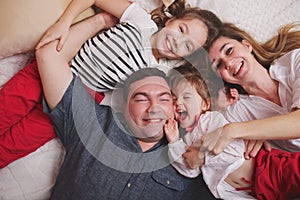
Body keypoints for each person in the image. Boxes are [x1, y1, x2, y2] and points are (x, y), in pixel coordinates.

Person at [35, 29, 217, 198]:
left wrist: (238, 131)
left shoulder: (189, 152)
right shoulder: (93, 123)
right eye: (141, 99)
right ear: (123, 105)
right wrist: (102, 22)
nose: (154, 107)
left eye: (164, 99)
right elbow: (49, 55)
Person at [164, 64, 300, 199]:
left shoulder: (212, 121)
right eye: (174, 99)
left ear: (205, 105)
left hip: (268, 168)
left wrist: (203, 158)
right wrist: (174, 142)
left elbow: (235, 151)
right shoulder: (187, 139)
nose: (178, 103)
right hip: (252, 191)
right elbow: (190, 169)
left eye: (186, 97)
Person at [0, 12, 117, 168]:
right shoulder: (139, 18)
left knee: (11, 147)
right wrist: (100, 21)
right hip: (59, 67)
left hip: (75, 96)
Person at [36, 0, 223, 92]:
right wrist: (64, 22)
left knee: (14, 145)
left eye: (188, 47)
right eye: (181, 30)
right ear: (170, 21)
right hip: (59, 65)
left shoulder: (161, 72)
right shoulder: (142, 21)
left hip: (78, 94)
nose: (177, 41)